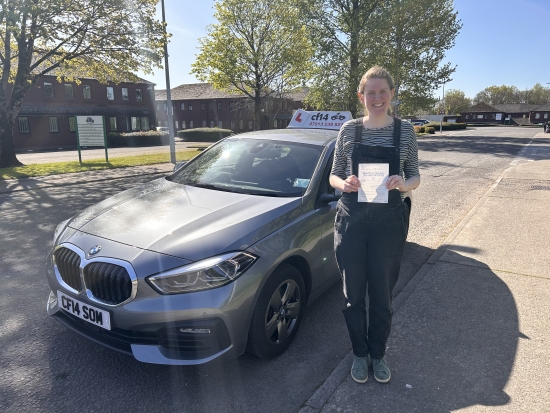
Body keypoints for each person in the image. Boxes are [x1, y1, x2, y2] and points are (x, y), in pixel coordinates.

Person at [329, 66, 420, 384]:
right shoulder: (348, 130)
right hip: (351, 222)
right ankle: (359, 353)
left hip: (388, 225)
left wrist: (402, 183)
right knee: (353, 296)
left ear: (392, 94)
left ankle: (378, 355)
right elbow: (333, 173)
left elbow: (415, 176)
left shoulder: (405, 131)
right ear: (361, 96)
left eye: (383, 92)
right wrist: (345, 183)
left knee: (382, 296)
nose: (377, 98)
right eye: (371, 92)